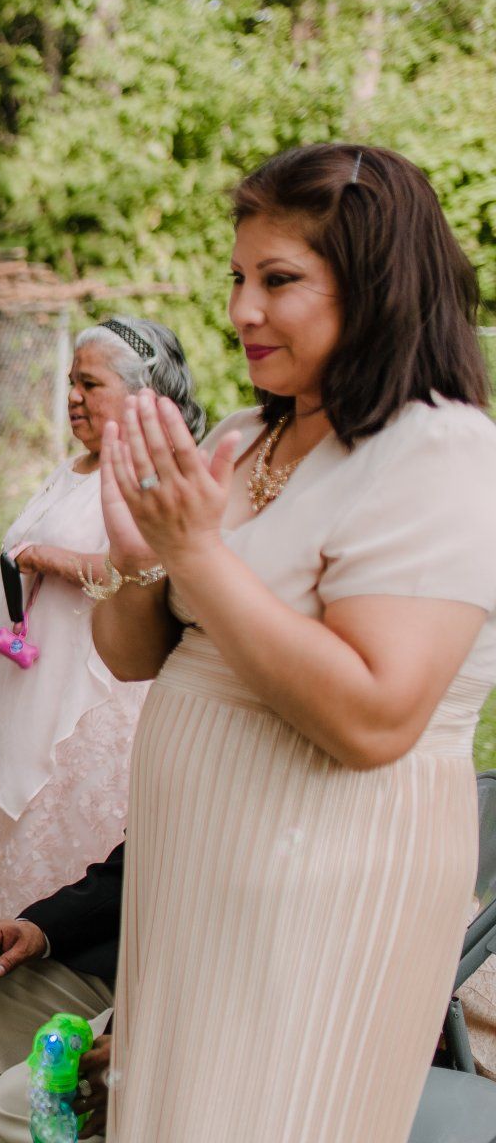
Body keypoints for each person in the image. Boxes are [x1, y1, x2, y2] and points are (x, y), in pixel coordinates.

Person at [93, 144, 496, 1140]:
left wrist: (197, 549)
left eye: (279, 280)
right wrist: (141, 552)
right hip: (199, 880)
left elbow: (372, 715)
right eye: (238, 276)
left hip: (324, 882)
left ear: (378, 286)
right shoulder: (248, 433)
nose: (240, 310)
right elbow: (134, 653)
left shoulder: (437, 450)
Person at [0, 317, 203, 924]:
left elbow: (143, 575)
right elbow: (4, 579)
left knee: (75, 846)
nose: (72, 397)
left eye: (89, 384)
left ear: (139, 396)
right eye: (71, 382)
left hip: (94, 704)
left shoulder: (155, 477)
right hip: (29, 688)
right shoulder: (70, 470)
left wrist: (49, 558)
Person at [0, 842, 124, 1143]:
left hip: (208, 1024)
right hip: (142, 981)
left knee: (10, 1108)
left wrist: (135, 1047)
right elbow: (127, 873)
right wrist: (38, 930)